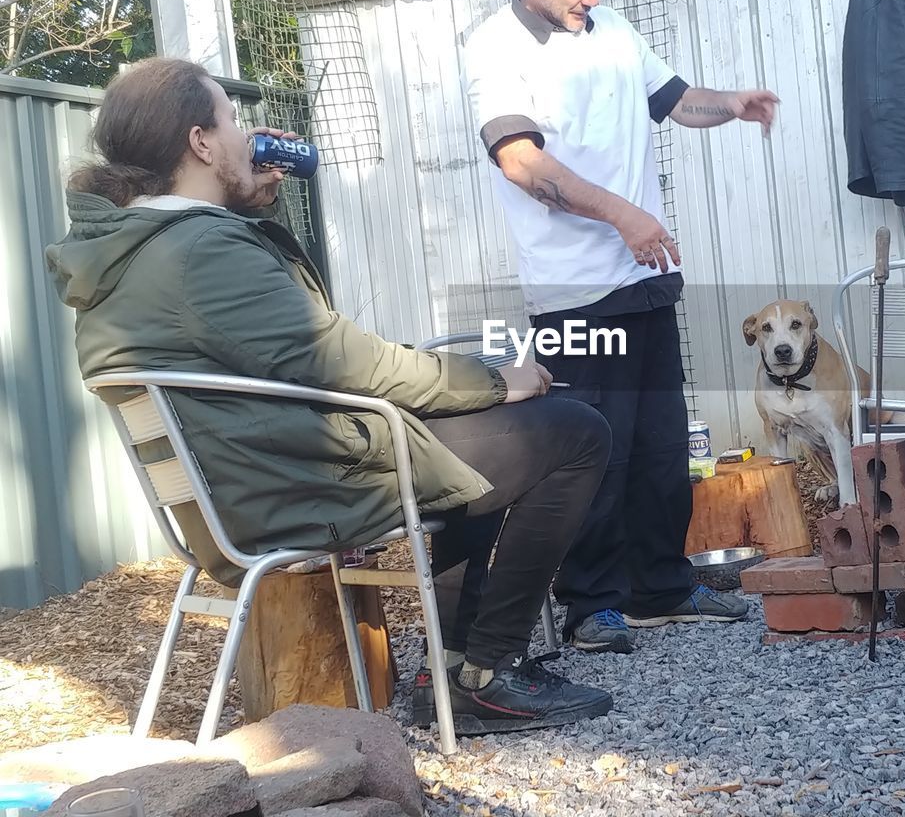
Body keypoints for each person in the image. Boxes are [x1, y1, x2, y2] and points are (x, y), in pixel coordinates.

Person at [44, 56, 615, 735]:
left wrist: (245, 202)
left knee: (480, 420)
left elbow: (276, 350)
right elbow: (343, 362)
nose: (246, 134)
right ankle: (489, 673)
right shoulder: (198, 252)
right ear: (199, 143)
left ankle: (457, 663)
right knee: (574, 433)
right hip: (296, 486)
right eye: (229, 120)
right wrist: (492, 377)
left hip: (249, 481)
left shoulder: (134, 248)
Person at [462, 0, 781, 654]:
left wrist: (730, 104)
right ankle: (591, 606)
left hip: (643, 278)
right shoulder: (496, 46)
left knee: (662, 446)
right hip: (574, 287)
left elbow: (673, 99)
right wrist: (621, 216)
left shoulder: (613, 30)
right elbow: (521, 162)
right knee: (594, 449)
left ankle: (661, 588)